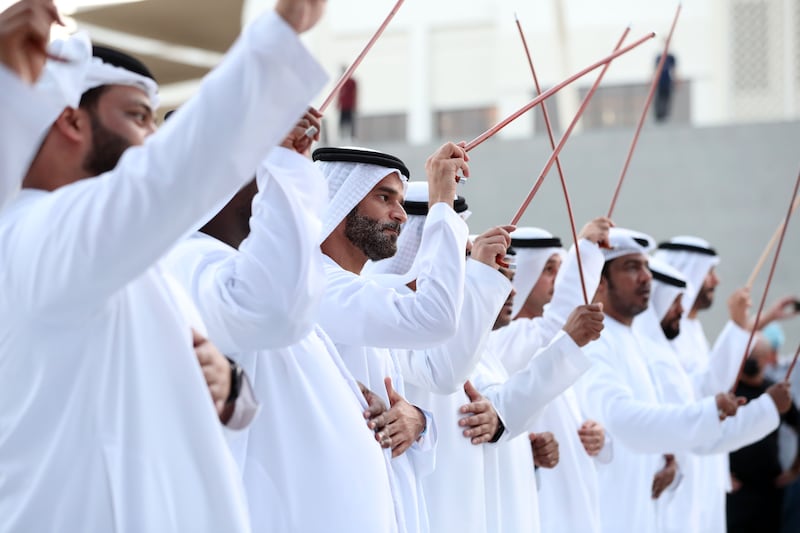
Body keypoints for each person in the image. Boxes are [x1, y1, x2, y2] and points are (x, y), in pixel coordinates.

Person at [0, 0, 328, 530]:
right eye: (136, 116)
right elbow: (164, 179)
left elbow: (229, 376)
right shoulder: (40, 235)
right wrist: (280, 34)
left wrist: (228, 391)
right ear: (69, 121)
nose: (151, 137)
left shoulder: (118, 258)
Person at [162, 114, 399, 532]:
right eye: (262, 165)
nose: (271, 182)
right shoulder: (188, 262)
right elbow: (268, 311)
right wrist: (288, 170)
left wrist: (354, 403)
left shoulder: (233, 268)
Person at [315, 143, 470, 533]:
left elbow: (405, 442)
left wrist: (416, 420)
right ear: (341, 199)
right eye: (384, 198)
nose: (400, 214)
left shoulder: (354, 291)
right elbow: (435, 319)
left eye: (400, 201)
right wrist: (440, 204)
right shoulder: (317, 288)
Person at [576, 228, 750, 533]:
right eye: (632, 267)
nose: (646, 278)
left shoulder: (634, 342)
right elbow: (621, 419)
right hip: (611, 511)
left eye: (645, 267)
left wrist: (666, 458)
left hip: (647, 503)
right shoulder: (597, 341)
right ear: (600, 282)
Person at [655, 235, 799, 533]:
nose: (716, 281)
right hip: (683, 472)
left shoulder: (690, 328)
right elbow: (705, 386)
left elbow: (716, 369)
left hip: (707, 471)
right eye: (709, 272)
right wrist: (736, 323)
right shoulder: (664, 336)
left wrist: (763, 318)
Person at [728, 334, 800, 533]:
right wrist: (720, 473)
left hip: (770, 488)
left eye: (758, 355)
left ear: (768, 358)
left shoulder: (775, 393)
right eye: (748, 354)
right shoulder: (728, 391)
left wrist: (795, 469)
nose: (752, 359)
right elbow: (709, 433)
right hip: (736, 490)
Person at [653, 48, 677, 122]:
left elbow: (674, 70)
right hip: (659, 82)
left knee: (667, 99)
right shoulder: (659, 57)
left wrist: (677, 80)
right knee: (658, 99)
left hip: (668, 81)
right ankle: (658, 116)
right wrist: (651, 80)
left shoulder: (671, 57)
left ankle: (665, 115)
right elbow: (654, 70)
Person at [337, 67, 357, 140]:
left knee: (351, 121)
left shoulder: (352, 82)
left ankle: (352, 137)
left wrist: (355, 104)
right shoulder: (340, 81)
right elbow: (339, 94)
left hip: (350, 105)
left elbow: (355, 94)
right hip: (343, 106)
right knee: (341, 122)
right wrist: (338, 104)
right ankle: (341, 136)